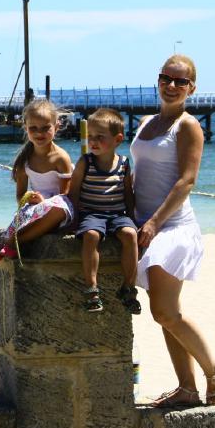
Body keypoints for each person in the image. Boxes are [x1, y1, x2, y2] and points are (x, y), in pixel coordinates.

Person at [130, 54, 215, 407]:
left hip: (171, 227)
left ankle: (213, 369)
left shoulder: (188, 126)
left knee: (164, 312)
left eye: (180, 81)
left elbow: (187, 181)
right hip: (142, 224)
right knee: (166, 313)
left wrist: (154, 222)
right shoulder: (145, 122)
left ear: (191, 88)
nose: (171, 86)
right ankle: (186, 387)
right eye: (166, 78)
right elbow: (136, 174)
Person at [69, 108, 140, 314]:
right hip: (91, 213)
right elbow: (74, 192)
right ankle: (92, 289)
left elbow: (128, 193)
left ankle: (128, 287)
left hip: (117, 215)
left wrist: (133, 218)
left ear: (118, 139)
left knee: (130, 235)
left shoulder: (124, 163)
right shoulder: (86, 162)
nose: (93, 141)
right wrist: (73, 220)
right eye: (90, 136)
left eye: (100, 137)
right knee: (91, 235)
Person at [0, 99, 74, 264]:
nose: (39, 133)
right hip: (35, 208)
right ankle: (12, 241)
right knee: (25, 213)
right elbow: (20, 196)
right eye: (33, 128)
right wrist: (30, 199)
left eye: (45, 128)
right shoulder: (24, 160)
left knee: (58, 208)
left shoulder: (61, 157)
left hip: (57, 208)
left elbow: (66, 195)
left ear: (56, 127)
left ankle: (13, 242)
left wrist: (45, 203)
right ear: (25, 128)